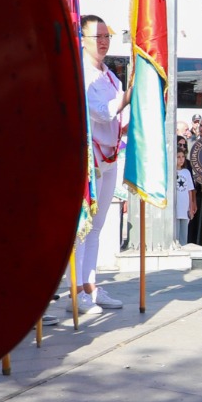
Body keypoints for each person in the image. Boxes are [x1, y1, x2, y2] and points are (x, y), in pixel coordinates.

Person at [72, 16, 126, 314]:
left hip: (109, 156)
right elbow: (103, 112)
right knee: (83, 225)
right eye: (98, 36)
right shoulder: (81, 74)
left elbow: (118, 120)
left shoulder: (110, 75)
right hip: (87, 159)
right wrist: (129, 98)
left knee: (97, 227)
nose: (104, 41)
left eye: (107, 36)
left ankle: (90, 285)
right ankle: (76, 290)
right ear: (82, 39)